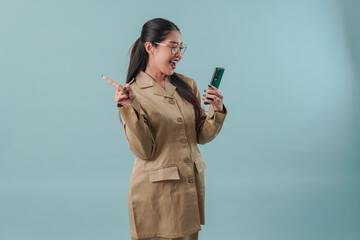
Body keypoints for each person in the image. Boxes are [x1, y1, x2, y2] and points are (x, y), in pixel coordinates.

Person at [102, 18, 227, 240]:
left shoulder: (187, 85)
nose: (178, 53)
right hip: (156, 196)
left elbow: (200, 135)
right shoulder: (133, 92)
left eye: (181, 47)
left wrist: (216, 110)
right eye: (173, 46)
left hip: (188, 190)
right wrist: (128, 107)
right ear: (150, 47)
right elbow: (144, 151)